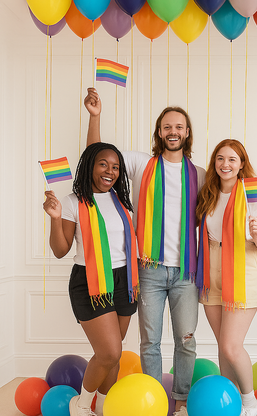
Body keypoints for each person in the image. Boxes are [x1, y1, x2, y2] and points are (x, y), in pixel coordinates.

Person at [84, 88, 205, 416]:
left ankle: (180, 401)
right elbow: (97, 155)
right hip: (148, 270)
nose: (173, 132)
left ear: (187, 132)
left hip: (186, 273)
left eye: (178, 126)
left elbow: (229, 195)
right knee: (149, 343)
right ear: (159, 132)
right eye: (167, 126)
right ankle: (153, 399)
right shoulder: (141, 164)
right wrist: (95, 116)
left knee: (187, 340)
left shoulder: (201, 174)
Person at [43, 143, 139, 416]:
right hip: (90, 281)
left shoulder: (121, 201)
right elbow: (60, 251)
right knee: (108, 352)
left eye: (116, 167)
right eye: (103, 164)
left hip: (124, 280)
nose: (110, 171)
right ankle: (82, 405)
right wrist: (55, 217)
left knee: (115, 355)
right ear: (89, 166)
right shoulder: (73, 202)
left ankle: (105, 407)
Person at [196, 139, 257, 416]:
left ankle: (250, 403)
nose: (225, 164)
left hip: (243, 268)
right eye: (220, 158)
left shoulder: (252, 194)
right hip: (211, 268)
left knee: (231, 345)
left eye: (232, 159)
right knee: (223, 347)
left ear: (241, 165)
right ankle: (228, 402)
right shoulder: (209, 193)